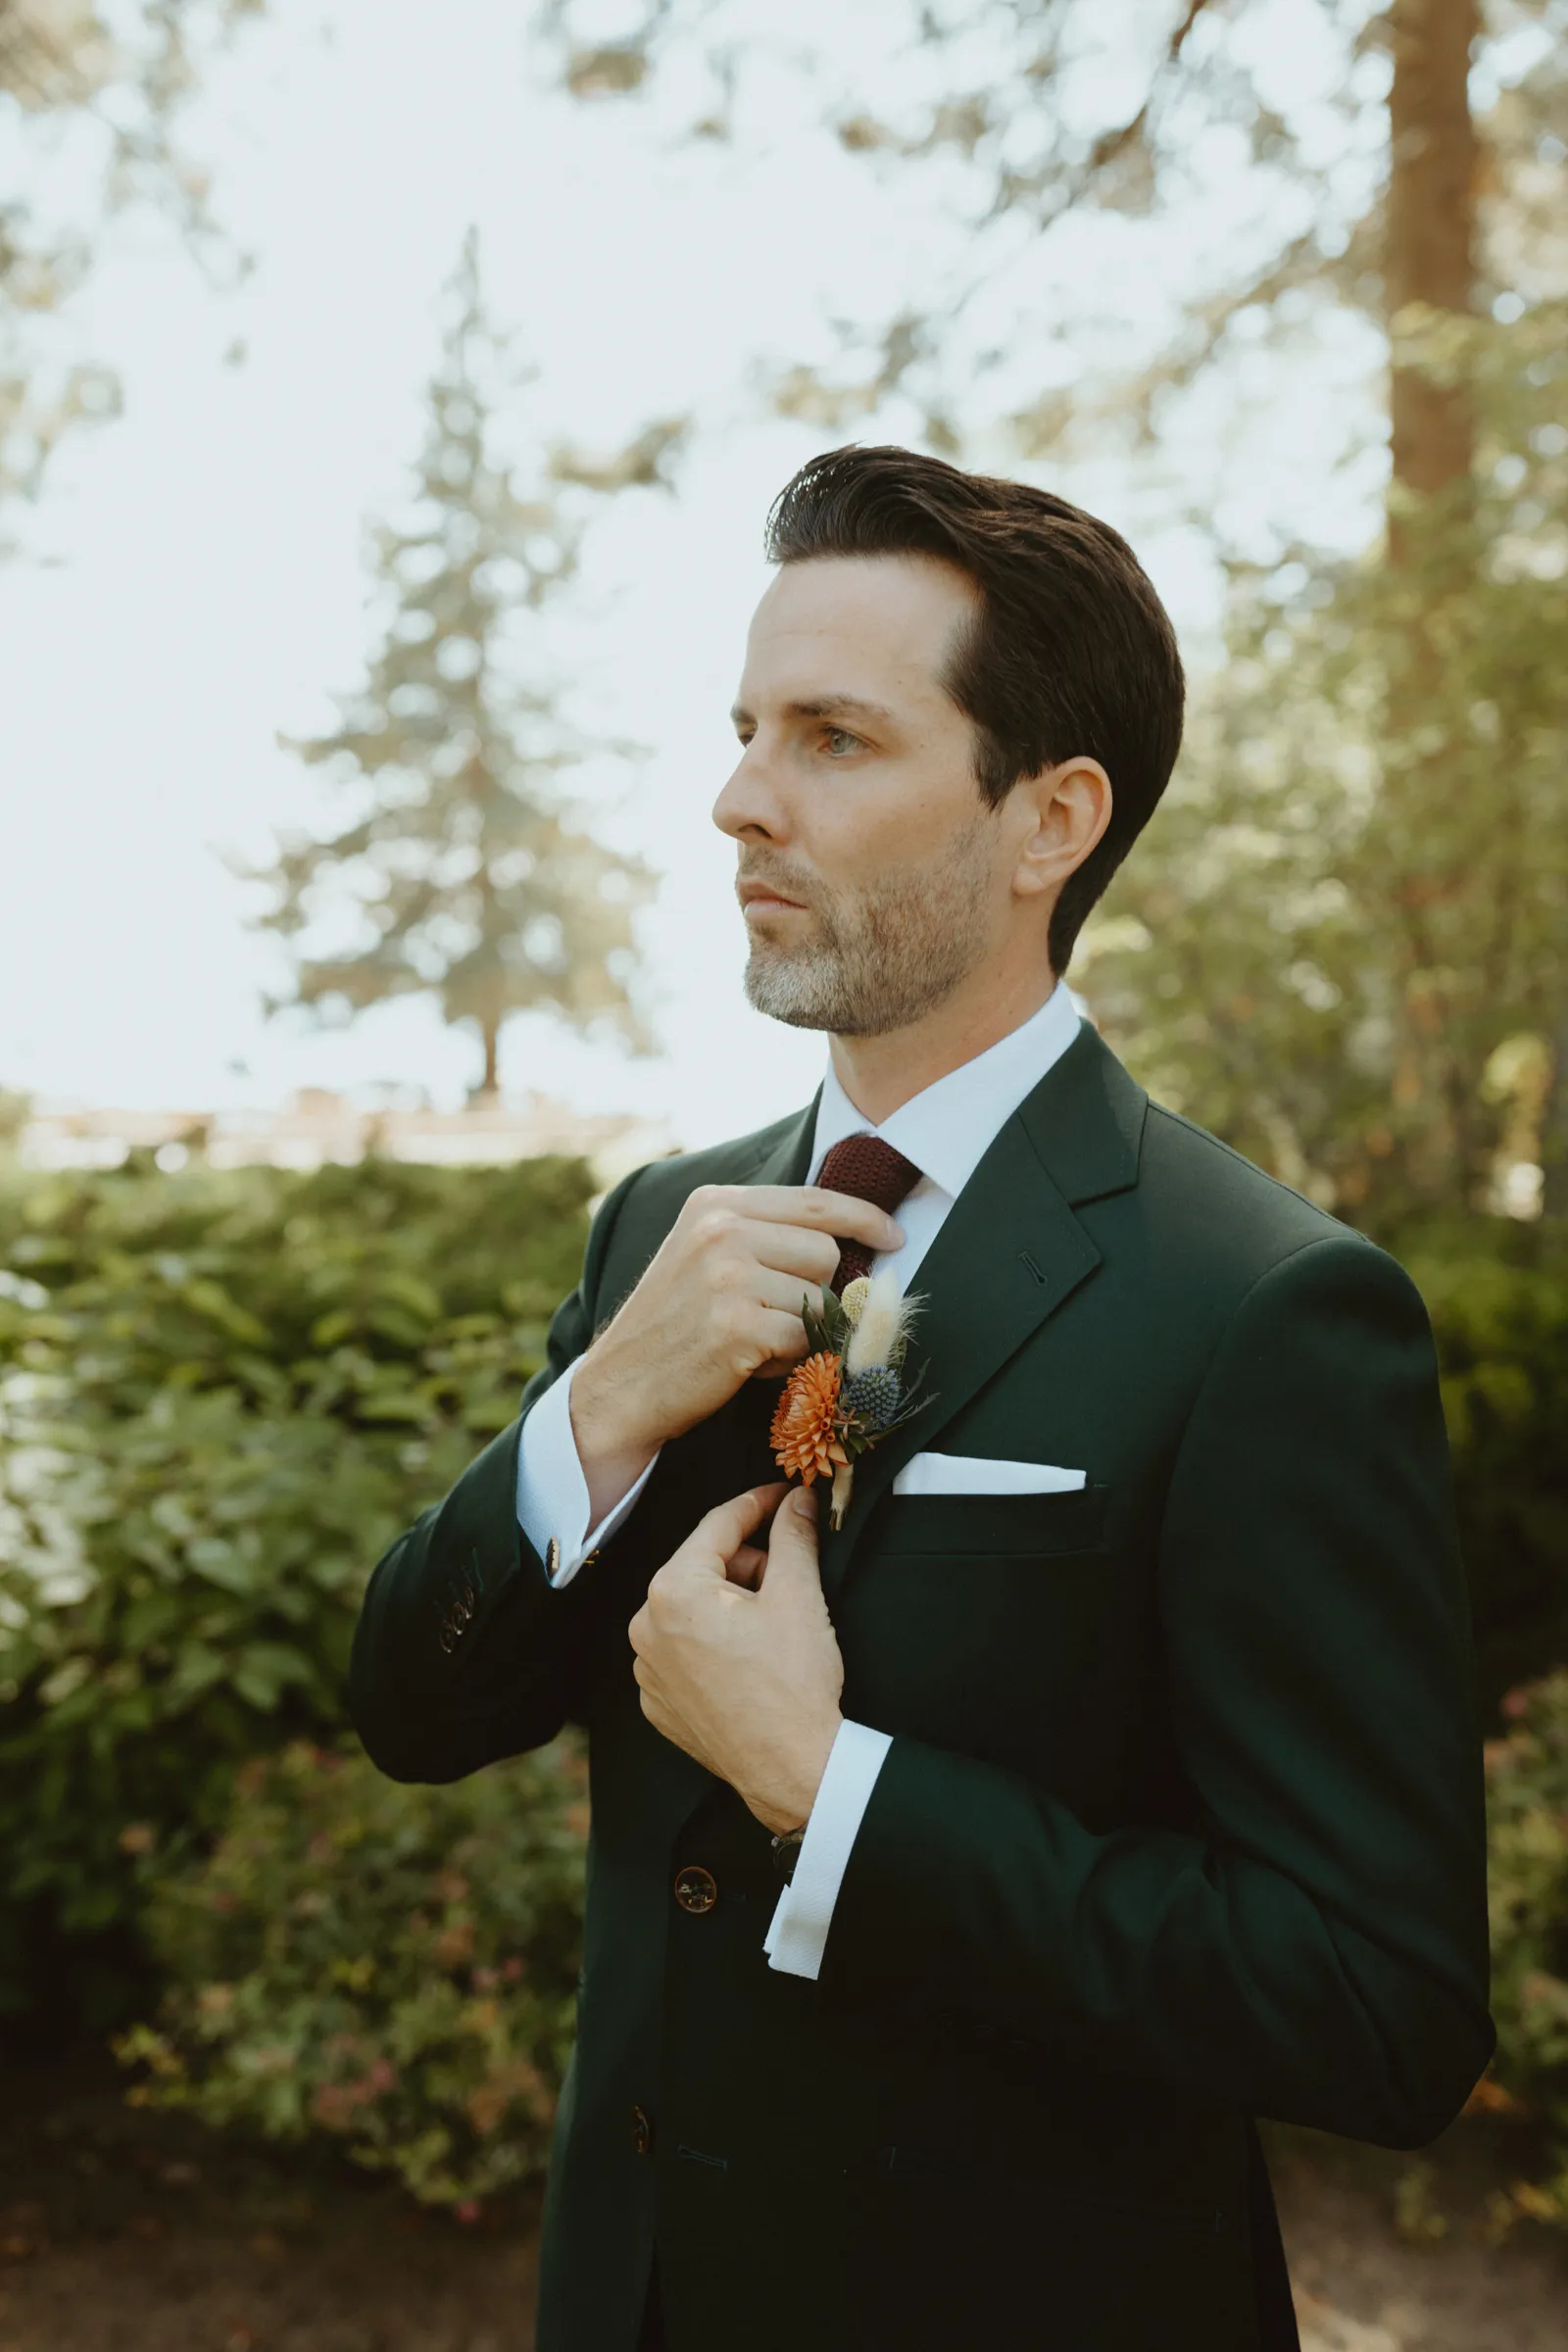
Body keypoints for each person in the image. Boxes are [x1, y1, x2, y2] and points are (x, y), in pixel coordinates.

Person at [347, 444, 1494, 2352]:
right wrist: (604, 1404)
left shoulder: (1267, 1309)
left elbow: (1375, 2009)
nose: (734, 800)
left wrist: (831, 1790)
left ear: (1046, 817)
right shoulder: (661, 1221)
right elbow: (410, 1707)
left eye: (831, 740)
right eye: (739, 732)